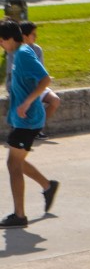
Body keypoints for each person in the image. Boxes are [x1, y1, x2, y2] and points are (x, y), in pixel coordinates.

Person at [0, 19, 59, 228]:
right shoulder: (14, 53)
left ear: (8, 38)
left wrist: (27, 102)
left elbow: (45, 80)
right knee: (16, 162)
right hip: (22, 119)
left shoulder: (24, 54)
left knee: (13, 164)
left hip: (29, 119)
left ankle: (20, 215)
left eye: (0, 41)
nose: (0, 45)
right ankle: (47, 186)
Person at [20, 21, 61, 139]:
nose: (36, 36)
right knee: (34, 102)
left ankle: (37, 128)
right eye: (33, 34)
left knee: (55, 101)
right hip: (22, 86)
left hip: (37, 85)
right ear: (24, 36)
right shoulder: (15, 51)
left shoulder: (37, 50)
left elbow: (41, 71)